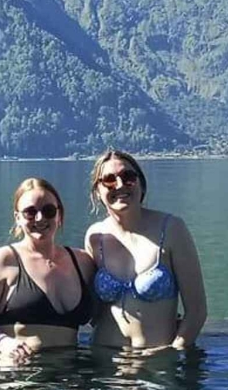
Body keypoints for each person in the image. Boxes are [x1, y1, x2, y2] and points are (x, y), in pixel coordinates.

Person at [84, 149, 207, 350]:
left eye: (128, 177)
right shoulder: (95, 236)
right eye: (109, 180)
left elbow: (197, 312)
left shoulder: (172, 229)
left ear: (141, 183)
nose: (120, 184)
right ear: (98, 191)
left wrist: (173, 352)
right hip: (104, 358)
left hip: (157, 361)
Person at [0, 177, 98, 359]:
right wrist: (2, 343)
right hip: (18, 370)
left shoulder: (83, 262)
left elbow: (104, 316)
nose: (40, 218)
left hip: (71, 371)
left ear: (59, 215)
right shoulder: (2, 260)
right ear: (17, 218)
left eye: (48, 211)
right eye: (30, 212)